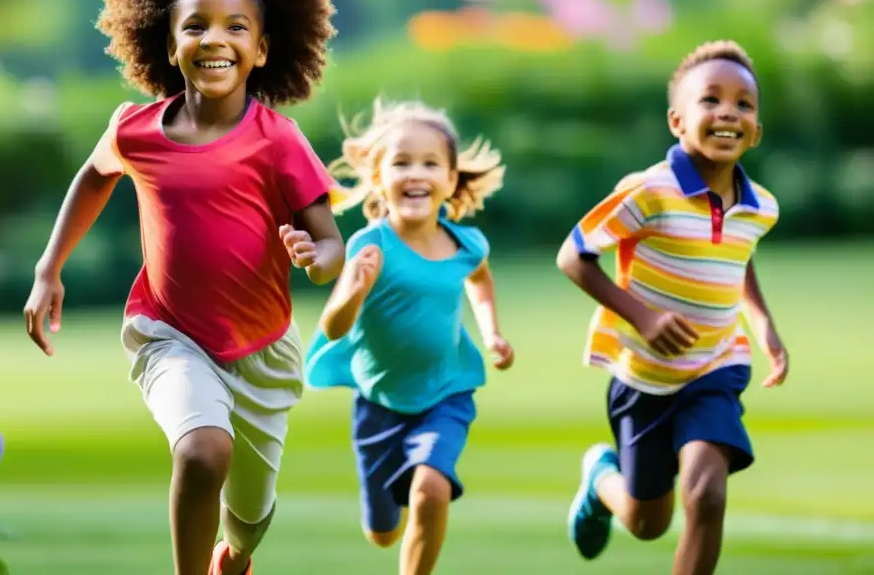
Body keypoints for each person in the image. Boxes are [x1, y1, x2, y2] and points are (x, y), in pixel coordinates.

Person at [23, 0, 345, 575]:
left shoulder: (276, 139)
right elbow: (93, 177)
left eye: (236, 27)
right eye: (195, 26)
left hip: (262, 350)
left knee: (249, 519)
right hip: (167, 332)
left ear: (261, 50)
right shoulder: (135, 129)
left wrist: (320, 261)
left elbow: (330, 243)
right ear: (169, 47)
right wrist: (48, 267)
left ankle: (236, 555)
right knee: (201, 452)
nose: (214, 38)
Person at [556, 41, 790, 575]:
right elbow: (574, 256)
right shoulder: (649, 193)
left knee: (707, 495)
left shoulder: (761, 208)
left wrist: (764, 327)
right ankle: (600, 478)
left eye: (744, 105)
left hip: (715, 366)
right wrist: (643, 317)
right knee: (646, 522)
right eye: (711, 100)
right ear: (677, 121)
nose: (729, 111)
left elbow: (736, 259)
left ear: (756, 129)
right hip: (644, 376)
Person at [304, 99, 514, 575]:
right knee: (382, 534)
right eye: (401, 162)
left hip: (446, 394)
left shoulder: (467, 244)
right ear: (379, 177)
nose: (415, 173)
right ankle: (387, 516)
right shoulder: (369, 246)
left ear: (451, 178)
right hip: (379, 404)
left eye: (429, 163)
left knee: (430, 488)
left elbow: (480, 280)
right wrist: (353, 291)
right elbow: (335, 328)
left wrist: (492, 332)